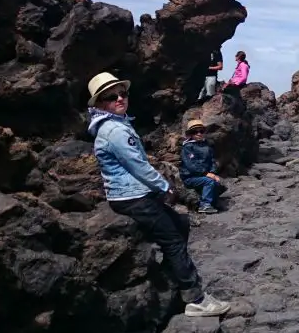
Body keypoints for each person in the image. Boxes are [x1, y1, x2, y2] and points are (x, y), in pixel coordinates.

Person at [86, 72, 230, 318]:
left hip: (133, 193)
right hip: (132, 197)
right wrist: (164, 187)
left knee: (181, 223)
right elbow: (138, 166)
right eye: (112, 96)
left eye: (123, 93)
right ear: (100, 103)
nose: (120, 98)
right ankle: (195, 298)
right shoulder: (114, 130)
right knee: (173, 239)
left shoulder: (116, 124)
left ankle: (173, 279)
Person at [180, 119, 224, 214]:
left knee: (217, 182)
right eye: (195, 132)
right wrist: (206, 173)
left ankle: (214, 202)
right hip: (190, 177)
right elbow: (191, 165)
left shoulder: (206, 145)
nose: (199, 134)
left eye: (201, 131)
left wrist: (212, 172)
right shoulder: (188, 147)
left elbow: (212, 161)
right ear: (190, 134)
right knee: (209, 182)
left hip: (204, 175)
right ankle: (204, 205)